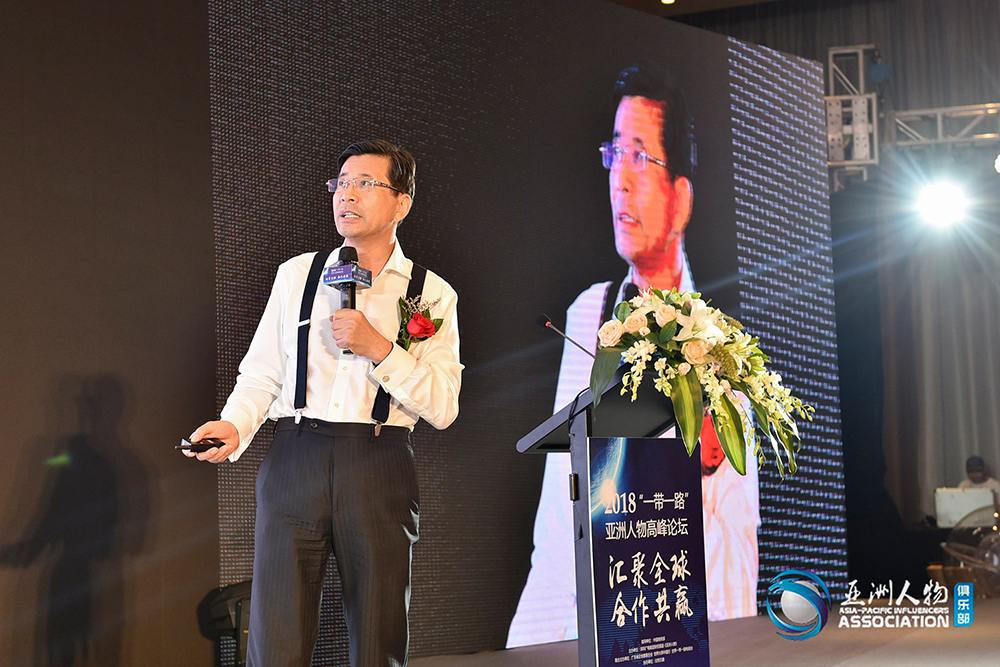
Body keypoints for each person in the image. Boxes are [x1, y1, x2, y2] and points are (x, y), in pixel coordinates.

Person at [507, 61, 759, 648]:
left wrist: (731, 644)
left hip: (680, 610)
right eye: (615, 154)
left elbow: (734, 530)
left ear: (681, 199)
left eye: (641, 157)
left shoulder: (720, 338)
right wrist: (533, 640)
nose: (620, 179)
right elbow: (559, 506)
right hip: (595, 614)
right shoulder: (588, 313)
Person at [186, 139, 462, 667]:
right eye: (341, 184)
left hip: (379, 461)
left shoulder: (431, 294)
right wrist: (234, 425)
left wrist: (380, 348)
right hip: (296, 455)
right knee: (276, 637)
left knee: (378, 638)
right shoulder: (298, 275)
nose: (347, 195)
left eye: (365, 184)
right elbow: (263, 371)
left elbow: (444, 405)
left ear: (401, 203)